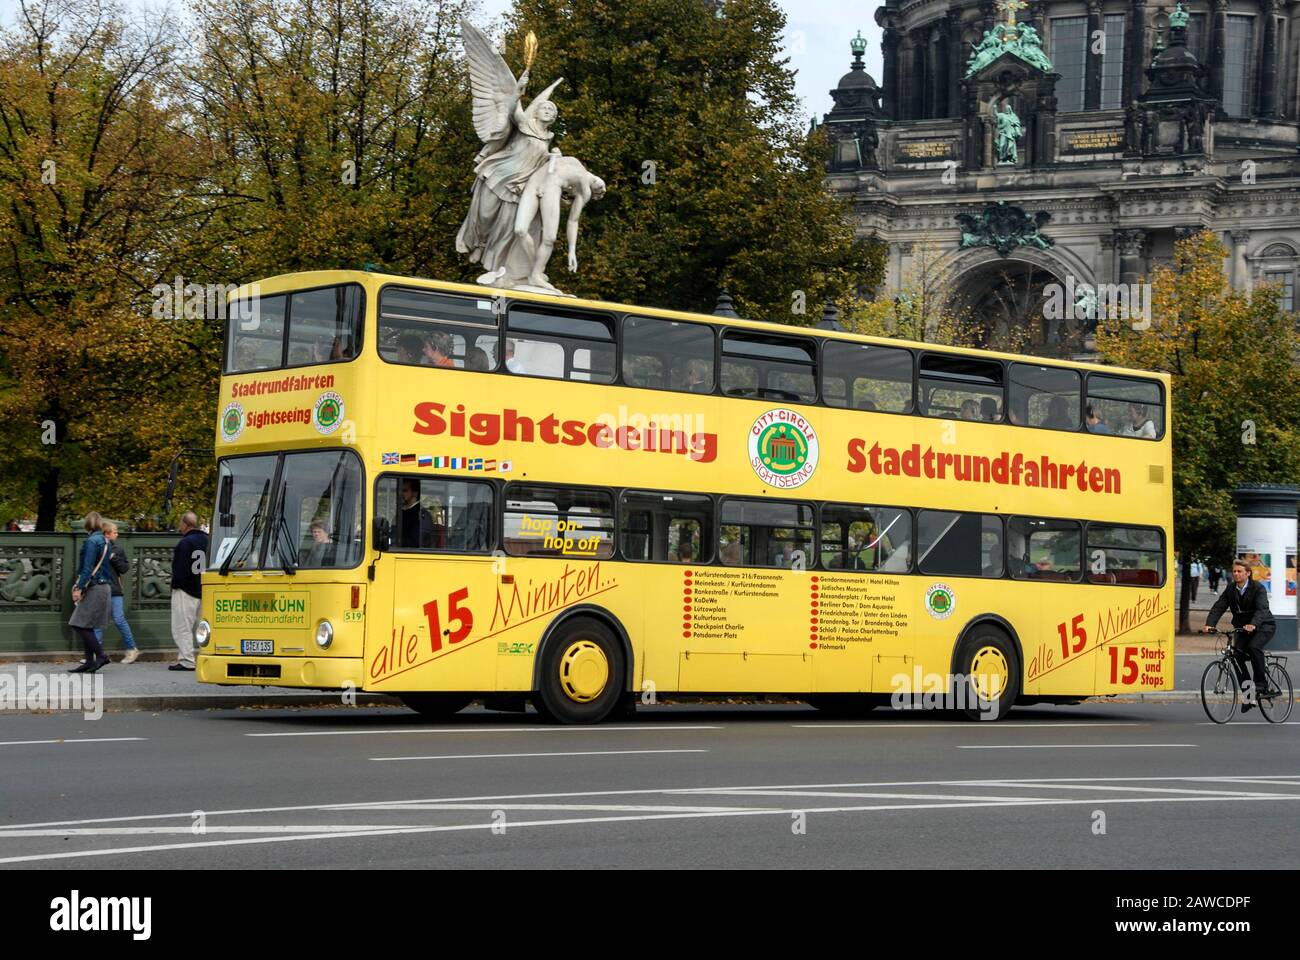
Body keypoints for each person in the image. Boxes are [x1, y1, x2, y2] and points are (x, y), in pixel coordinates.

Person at [1202, 560, 1278, 708]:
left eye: (1239, 571)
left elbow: (1262, 609)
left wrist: (1254, 624)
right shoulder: (1231, 589)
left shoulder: (1258, 588)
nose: (1235, 574)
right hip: (1242, 628)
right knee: (1236, 657)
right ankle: (1249, 697)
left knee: (1254, 647)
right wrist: (1209, 624)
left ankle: (1261, 685)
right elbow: (1219, 606)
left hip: (1264, 626)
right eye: (1234, 571)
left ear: (1247, 573)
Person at [68, 513, 112, 673]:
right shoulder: (105, 540)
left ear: (87, 524)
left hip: (95, 586)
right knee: (87, 624)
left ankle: (100, 656)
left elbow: (87, 568)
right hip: (103, 586)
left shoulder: (92, 541)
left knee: (78, 623)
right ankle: (88, 661)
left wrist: (79, 587)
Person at [94, 521, 139, 664]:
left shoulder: (117, 549)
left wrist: (114, 558)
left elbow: (125, 568)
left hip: (114, 590)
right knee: (99, 622)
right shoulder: (96, 548)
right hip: (100, 589)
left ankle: (132, 649)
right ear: (106, 534)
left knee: (119, 619)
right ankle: (96, 654)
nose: (117, 534)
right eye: (114, 532)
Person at [169, 511, 208, 672]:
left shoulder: (185, 542)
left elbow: (179, 569)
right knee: (204, 626)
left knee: (181, 627)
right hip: (205, 589)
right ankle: (206, 656)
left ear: (185, 524)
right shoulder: (208, 540)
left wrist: (176, 585)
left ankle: (187, 660)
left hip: (186, 590)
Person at [396, 478, 434, 548]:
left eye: (404, 490)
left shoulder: (421, 514)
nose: (400, 494)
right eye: (399, 490)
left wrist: (395, 540)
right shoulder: (403, 512)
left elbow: (417, 542)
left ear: (415, 493)